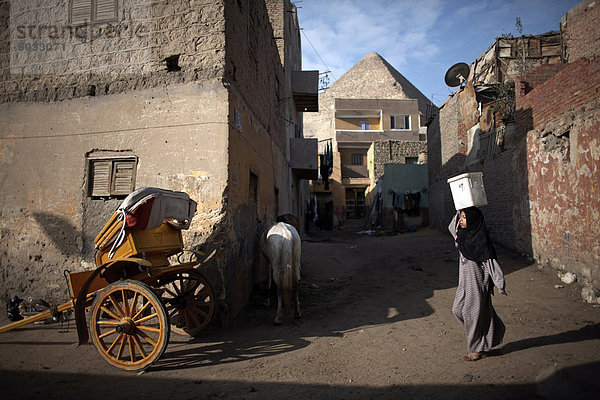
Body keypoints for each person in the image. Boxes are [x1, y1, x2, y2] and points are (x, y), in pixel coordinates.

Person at [449, 207, 507, 361]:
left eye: (464, 217)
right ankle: (493, 334)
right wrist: (459, 210)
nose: (461, 220)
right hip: (464, 283)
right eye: (461, 217)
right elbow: (451, 227)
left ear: (473, 220)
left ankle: (476, 350)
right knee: (457, 310)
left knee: (471, 314)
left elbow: (492, 263)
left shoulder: (481, 242)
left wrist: (500, 284)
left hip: (478, 284)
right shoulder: (461, 237)